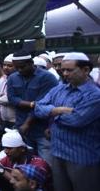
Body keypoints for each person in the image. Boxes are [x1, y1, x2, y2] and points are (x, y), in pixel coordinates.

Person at [34, 52, 100, 190]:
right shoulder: (60, 89)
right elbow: (38, 108)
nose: (64, 73)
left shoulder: (94, 95)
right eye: (62, 69)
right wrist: (57, 110)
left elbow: (76, 120)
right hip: (58, 153)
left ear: (86, 70)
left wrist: (50, 113)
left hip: (82, 157)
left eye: (69, 70)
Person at [7, 51, 58, 163]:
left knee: (46, 165)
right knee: (27, 164)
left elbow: (43, 104)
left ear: (31, 63)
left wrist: (28, 122)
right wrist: (31, 104)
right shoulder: (12, 77)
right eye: (16, 67)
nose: (19, 70)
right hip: (22, 129)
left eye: (22, 67)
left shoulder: (47, 78)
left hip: (42, 129)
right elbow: (11, 99)